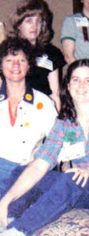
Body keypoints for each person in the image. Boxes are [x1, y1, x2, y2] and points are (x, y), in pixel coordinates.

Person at [0, 59, 89, 235]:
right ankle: (8, 217)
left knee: (70, 179)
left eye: (88, 80)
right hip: (83, 183)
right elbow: (39, 164)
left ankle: (18, 230)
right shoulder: (65, 121)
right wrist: (6, 200)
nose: (81, 85)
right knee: (21, 172)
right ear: (67, 84)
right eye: (75, 79)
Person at [0, 37, 57, 193]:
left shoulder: (43, 102)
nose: (16, 65)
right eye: (9, 60)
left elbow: (59, 141)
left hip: (27, 173)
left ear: (29, 65)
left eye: (22, 60)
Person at [8, 0, 66, 110]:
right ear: (19, 24)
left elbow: (55, 93)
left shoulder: (52, 52)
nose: (34, 26)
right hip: (15, 108)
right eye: (29, 21)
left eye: (38, 21)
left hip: (43, 109)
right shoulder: (9, 51)